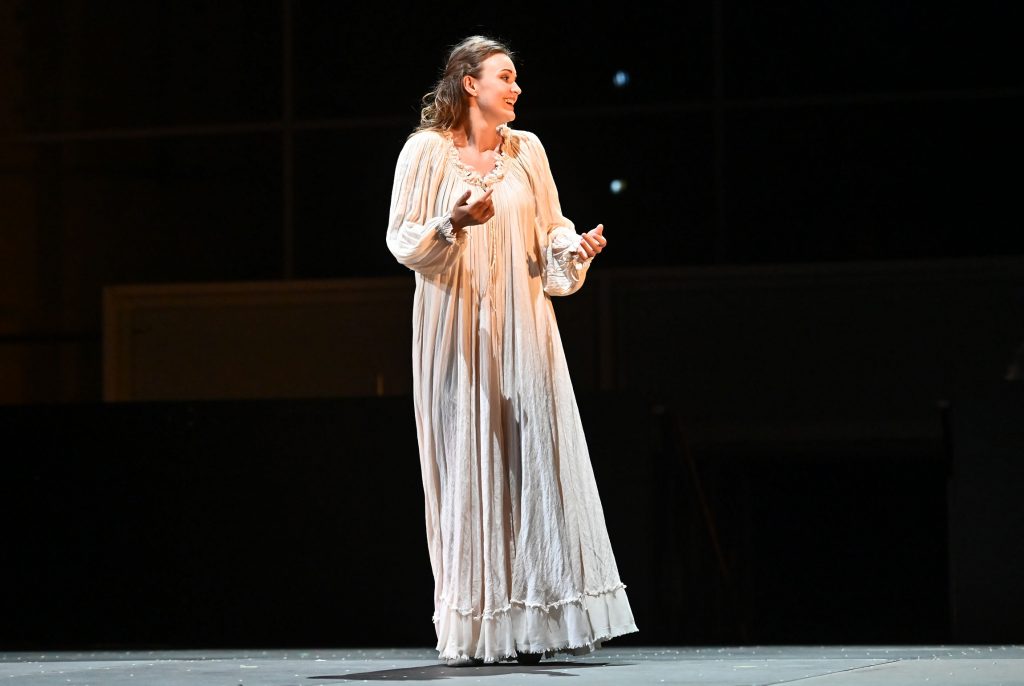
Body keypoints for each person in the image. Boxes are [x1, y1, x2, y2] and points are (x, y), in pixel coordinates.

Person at [386, 35, 638, 667]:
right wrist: (453, 222)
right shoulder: (425, 152)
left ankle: (537, 620)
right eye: (505, 76)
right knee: (467, 465)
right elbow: (402, 240)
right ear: (470, 83)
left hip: (525, 328)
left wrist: (571, 248)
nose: (516, 87)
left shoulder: (528, 150)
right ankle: (480, 626)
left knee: (534, 462)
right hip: (456, 331)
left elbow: (549, 229)